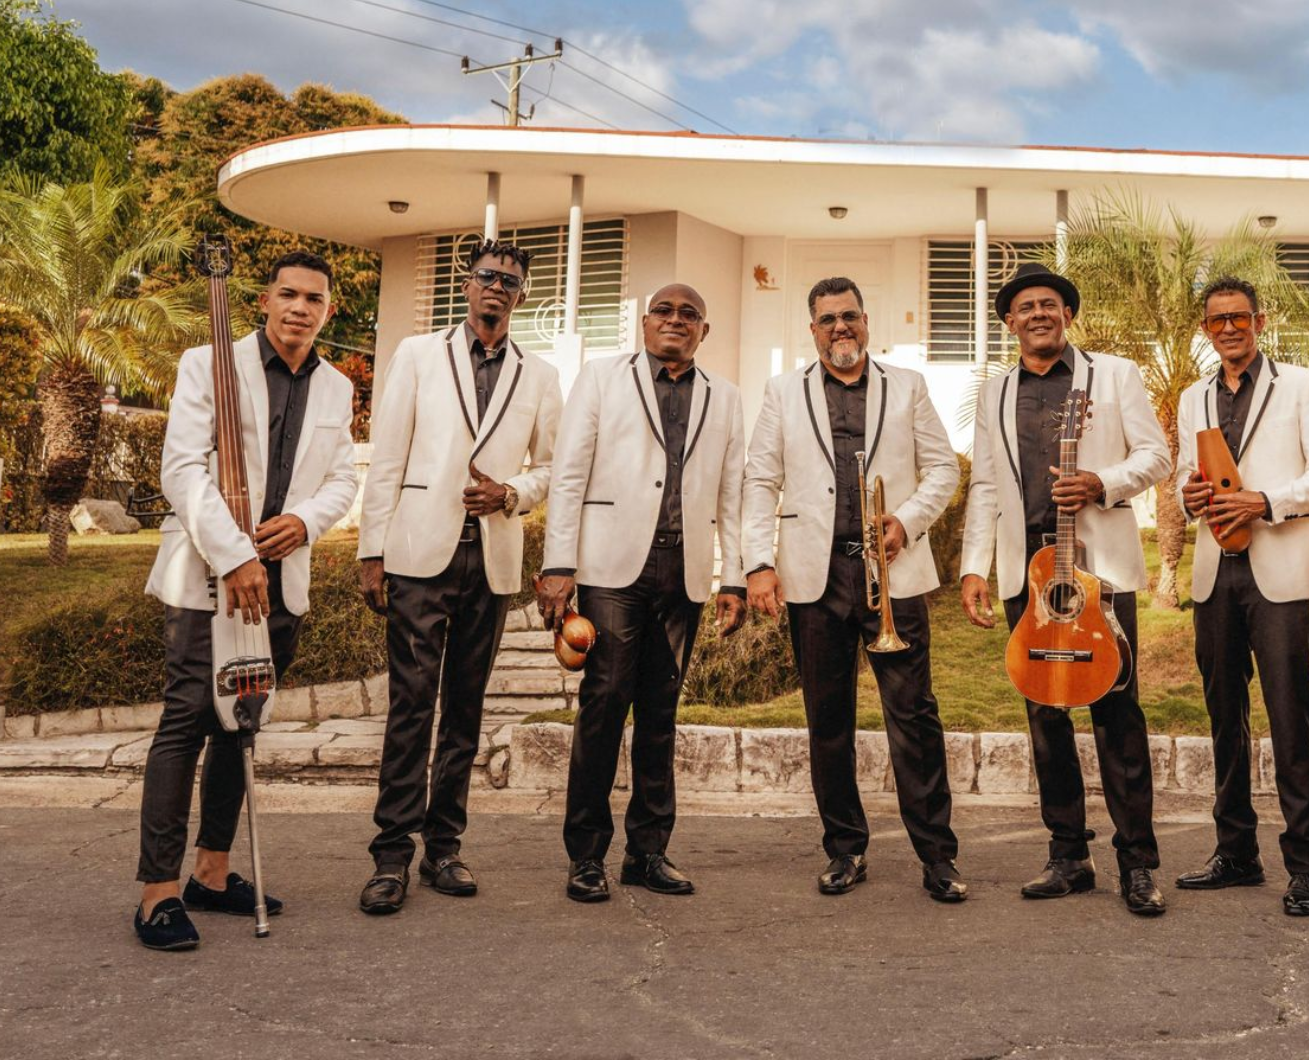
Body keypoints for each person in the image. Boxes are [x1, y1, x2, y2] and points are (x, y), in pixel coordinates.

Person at [134, 250, 360, 950]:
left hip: (282, 581)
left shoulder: (336, 386)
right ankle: (157, 892)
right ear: (265, 300)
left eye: (314, 299)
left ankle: (211, 870)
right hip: (207, 575)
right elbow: (182, 470)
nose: (300, 308)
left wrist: (306, 522)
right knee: (186, 721)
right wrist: (234, 555)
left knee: (243, 721)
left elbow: (343, 476)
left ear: (327, 310)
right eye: (288, 294)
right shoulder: (209, 364)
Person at [355, 238, 563, 914]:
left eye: (509, 281)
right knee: (411, 707)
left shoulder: (540, 374)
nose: (497, 287)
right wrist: (372, 549)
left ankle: (444, 847)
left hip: (491, 560)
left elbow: (555, 467)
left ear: (522, 296)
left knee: (465, 713)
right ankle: (391, 855)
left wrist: (512, 493)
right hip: (419, 553)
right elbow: (388, 456)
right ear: (466, 284)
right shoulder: (418, 354)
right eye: (487, 276)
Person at [959, 262, 1172, 916]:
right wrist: (974, 567)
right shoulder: (995, 392)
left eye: (1049, 304)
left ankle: (1137, 863)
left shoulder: (1115, 375)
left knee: (1116, 713)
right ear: (1009, 322)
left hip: (1097, 572)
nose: (1038, 314)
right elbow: (986, 484)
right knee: (1045, 715)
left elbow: (1157, 456)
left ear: (1067, 315)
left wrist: (1101, 483)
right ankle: (1068, 856)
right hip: (1028, 572)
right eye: (1025, 307)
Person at [742, 277, 965, 901]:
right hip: (815, 578)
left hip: (893, 575)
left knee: (914, 717)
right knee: (828, 719)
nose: (840, 327)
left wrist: (906, 521)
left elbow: (943, 467)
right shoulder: (782, 391)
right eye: (827, 319)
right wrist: (758, 562)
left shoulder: (908, 385)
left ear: (866, 321)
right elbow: (760, 480)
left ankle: (938, 858)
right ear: (812, 330)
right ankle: (844, 849)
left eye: (849, 316)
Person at [539, 283, 748, 903]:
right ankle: (586, 855)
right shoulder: (601, 378)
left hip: (683, 571)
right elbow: (568, 473)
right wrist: (559, 564)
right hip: (610, 569)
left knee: (660, 714)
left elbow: (732, 492)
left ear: (704, 330)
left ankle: (648, 852)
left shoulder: (725, 396)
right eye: (664, 310)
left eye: (690, 313)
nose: (675, 320)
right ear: (645, 322)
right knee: (604, 705)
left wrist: (733, 576)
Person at [1175, 276, 1309, 918]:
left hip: (1279, 573)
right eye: (1217, 320)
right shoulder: (1193, 397)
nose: (1229, 328)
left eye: (1239, 317)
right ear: (1205, 329)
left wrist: (1267, 501)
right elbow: (1183, 480)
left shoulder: (1302, 385)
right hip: (1214, 573)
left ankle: (1306, 867)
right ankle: (1236, 852)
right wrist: (1188, 496)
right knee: (1225, 717)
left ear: (1259, 321)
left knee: (1288, 716)